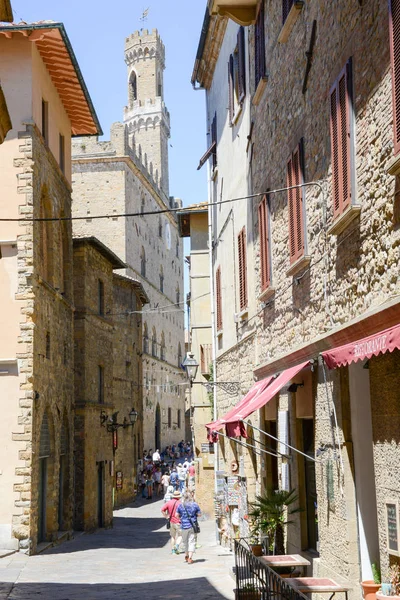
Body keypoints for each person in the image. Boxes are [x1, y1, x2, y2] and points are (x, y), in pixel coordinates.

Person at [177, 491, 201, 564]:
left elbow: (176, 515)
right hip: (192, 526)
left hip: (184, 526)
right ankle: (190, 558)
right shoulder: (195, 505)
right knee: (191, 542)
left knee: (185, 542)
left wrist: (181, 519)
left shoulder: (181, 505)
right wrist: (194, 515)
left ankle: (186, 555)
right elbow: (199, 514)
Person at [161, 490, 182, 554]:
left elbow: (162, 510)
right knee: (180, 535)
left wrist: (166, 516)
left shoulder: (169, 502)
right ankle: (177, 545)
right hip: (178, 521)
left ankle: (173, 551)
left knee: (172, 536)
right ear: (179, 497)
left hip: (171, 521)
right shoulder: (180, 503)